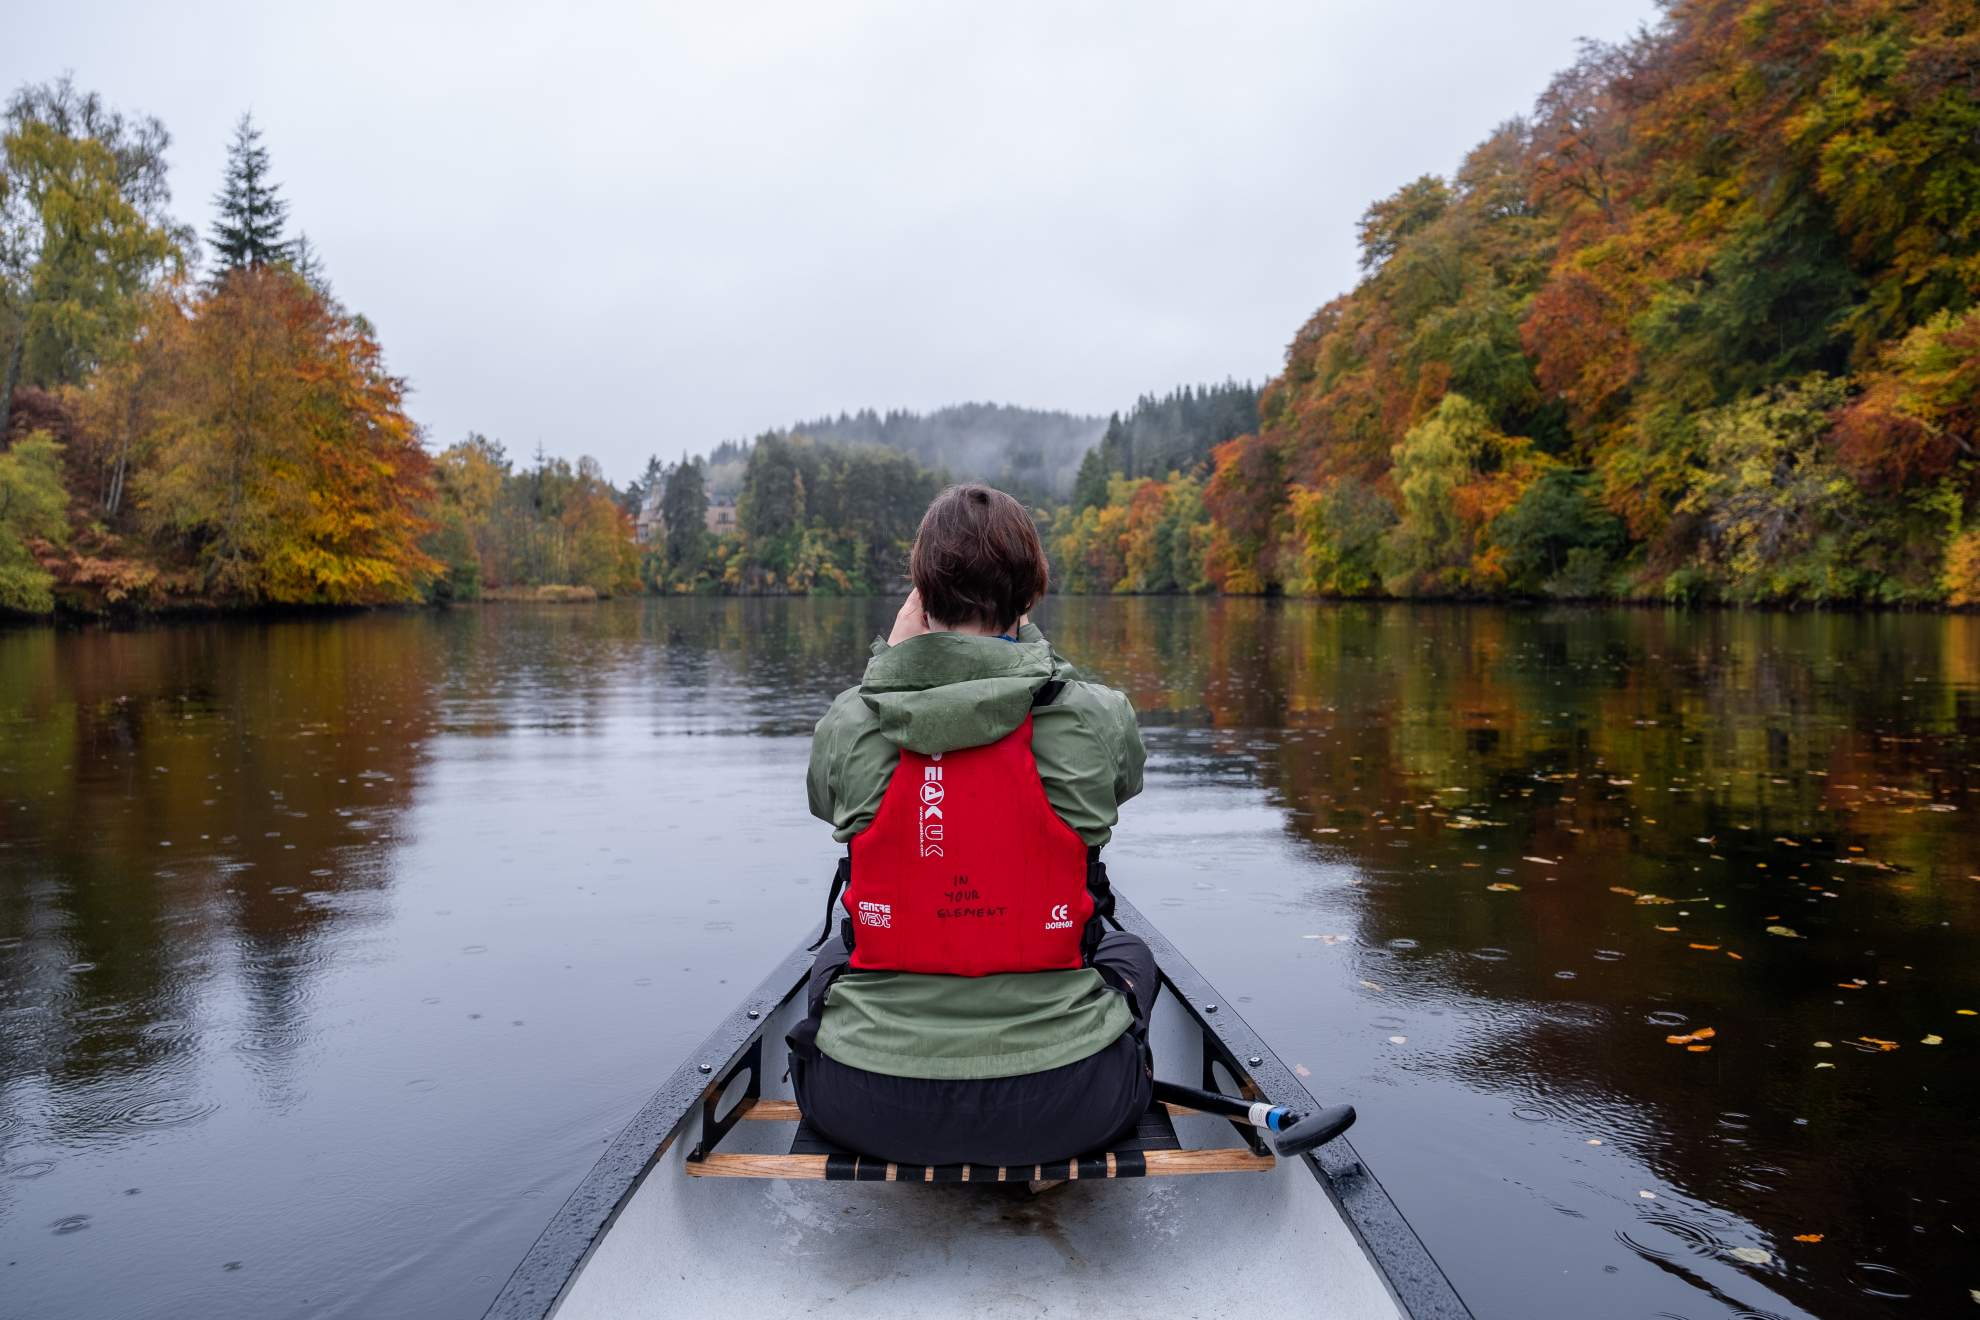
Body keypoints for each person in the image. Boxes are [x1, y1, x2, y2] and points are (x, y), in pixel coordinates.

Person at [789, 483, 1155, 1167]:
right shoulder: (1091, 715)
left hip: (865, 1100)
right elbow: (1122, 783)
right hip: (1067, 1100)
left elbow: (826, 801)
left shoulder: (852, 722)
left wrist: (890, 669)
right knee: (1130, 955)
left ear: (918, 597)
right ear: (1031, 596)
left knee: (833, 958)